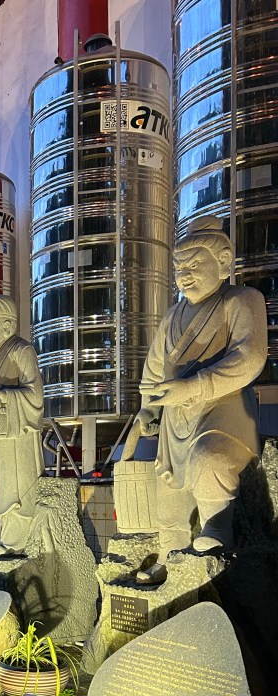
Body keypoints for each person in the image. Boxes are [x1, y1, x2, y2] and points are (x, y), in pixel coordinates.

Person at [137, 216, 267, 561]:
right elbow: (154, 368)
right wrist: (149, 406)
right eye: (179, 268)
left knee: (210, 458)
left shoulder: (241, 300)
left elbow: (250, 356)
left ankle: (216, 529)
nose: (184, 275)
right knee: (167, 487)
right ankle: (169, 554)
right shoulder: (172, 316)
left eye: (194, 265)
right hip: (176, 417)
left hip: (223, 410)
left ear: (223, 262)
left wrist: (195, 386)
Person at [0, 296, 44, 556]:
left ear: (7, 326)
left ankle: (19, 541)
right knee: (1, 483)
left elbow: (36, 396)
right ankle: (7, 536)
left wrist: (6, 396)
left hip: (19, 434)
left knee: (19, 484)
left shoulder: (22, 351)